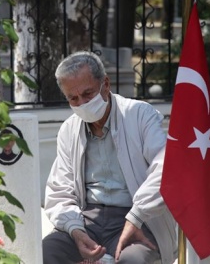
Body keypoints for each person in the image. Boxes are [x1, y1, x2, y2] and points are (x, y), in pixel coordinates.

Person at [42, 51, 177, 264]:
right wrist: (76, 231)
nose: (82, 103)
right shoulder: (69, 130)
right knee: (48, 251)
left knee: (134, 260)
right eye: (73, 98)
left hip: (137, 217)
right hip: (88, 220)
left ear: (105, 84)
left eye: (87, 94)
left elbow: (166, 168)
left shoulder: (139, 114)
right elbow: (60, 190)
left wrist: (136, 217)